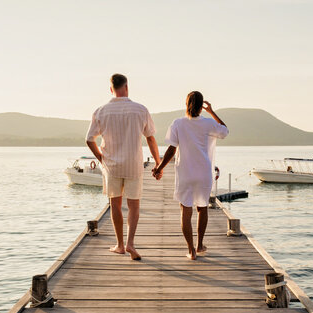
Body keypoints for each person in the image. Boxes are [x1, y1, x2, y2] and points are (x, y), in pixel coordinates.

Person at [86, 73, 161, 260]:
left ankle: (119, 245)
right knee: (134, 205)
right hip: (133, 164)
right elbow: (150, 137)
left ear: (111, 89)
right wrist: (158, 163)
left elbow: (89, 139)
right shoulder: (140, 110)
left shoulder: (101, 111)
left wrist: (100, 158)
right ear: (127, 87)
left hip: (111, 165)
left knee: (115, 204)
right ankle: (130, 243)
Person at [152, 91, 228, 260]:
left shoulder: (178, 123)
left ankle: (191, 250)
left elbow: (171, 150)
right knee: (202, 208)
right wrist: (212, 112)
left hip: (185, 172)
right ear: (202, 106)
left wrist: (159, 167)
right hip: (203, 172)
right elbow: (225, 130)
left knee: (185, 211)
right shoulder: (208, 123)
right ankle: (200, 245)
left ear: (186, 104)